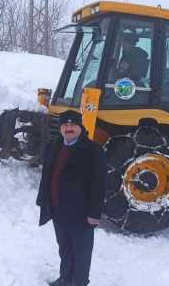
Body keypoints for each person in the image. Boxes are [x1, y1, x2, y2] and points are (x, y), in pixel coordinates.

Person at [36, 110, 107, 286]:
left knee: (81, 252)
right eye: (65, 125)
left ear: (80, 127)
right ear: (60, 128)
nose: (68, 128)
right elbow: (47, 174)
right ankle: (65, 278)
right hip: (57, 209)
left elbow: (100, 184)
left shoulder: (93, 150)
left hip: (81, 213)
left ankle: (79, 282)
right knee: (65, 248)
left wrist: (94, 213)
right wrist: (42, 199)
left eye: (72, 125)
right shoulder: (54, 146)